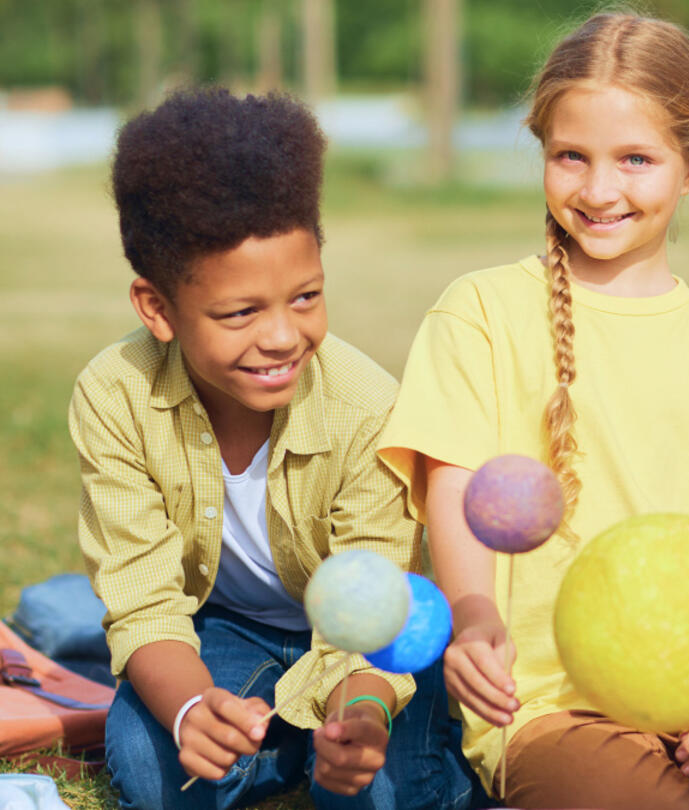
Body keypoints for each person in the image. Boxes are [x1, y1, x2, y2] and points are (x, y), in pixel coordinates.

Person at [375, 12, 689, 810]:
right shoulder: (481, 310)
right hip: (555, 709)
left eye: (635, 160)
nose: (598, 190)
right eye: (570, 157)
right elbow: (454, 483)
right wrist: (475, 617)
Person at [72, 87, 476, 810]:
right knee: (147, 759)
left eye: (306, 297)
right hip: (229, 634)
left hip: (365, 659)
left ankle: (427, 763)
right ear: (157, 308)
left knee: (369, 792)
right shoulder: (115, 397)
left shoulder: (368, 407)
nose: (284, 336)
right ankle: (273, 747)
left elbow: (379, 612)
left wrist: (362, 716)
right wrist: (196, 710)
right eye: (240, 313)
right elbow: (144, 605)